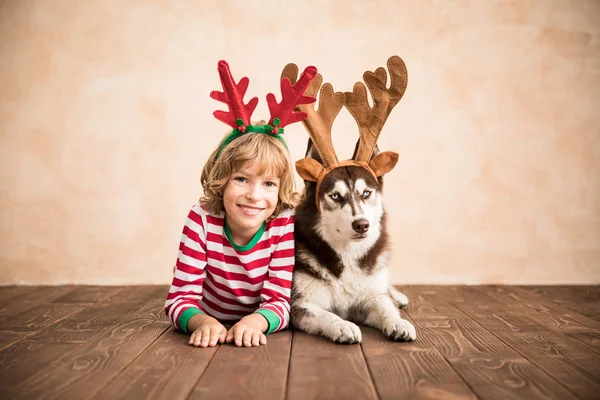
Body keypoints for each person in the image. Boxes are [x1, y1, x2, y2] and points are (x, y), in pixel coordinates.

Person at [164, 60, 317, 347]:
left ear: (280, 189)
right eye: (242, 179)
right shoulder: (202, 219)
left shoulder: (283, 222)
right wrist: (203, 321)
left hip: (258, 322)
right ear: (221, 179)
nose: (255, 196)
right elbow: (178, 299)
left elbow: (281, 302)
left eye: (269, 184)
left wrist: (255, 321)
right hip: (209, 317)